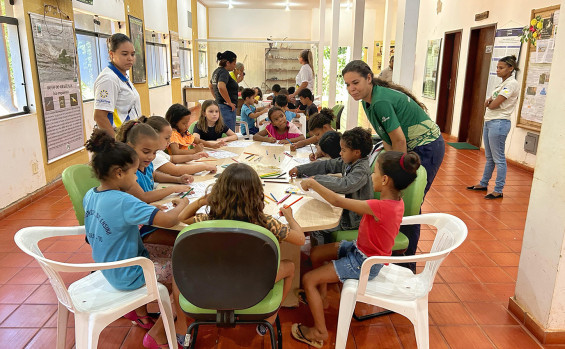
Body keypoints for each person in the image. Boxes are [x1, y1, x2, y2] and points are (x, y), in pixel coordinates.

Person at [290, 151, 421, 348]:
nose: (371, 176)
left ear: (385, 180)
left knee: (309, 279)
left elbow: (338, 201)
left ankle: (320, 332)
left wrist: (313, 183)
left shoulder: (380, 207)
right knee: (316, 253)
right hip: (361, 250)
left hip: (364, 263)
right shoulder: (395, 203)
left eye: (374, 173)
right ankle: (323, 299)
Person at [83, 129, 189, 349]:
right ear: (119, 173)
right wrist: (184, 204)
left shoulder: (91, 194)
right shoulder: (124, 200)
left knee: (173, 253)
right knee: (185, 268)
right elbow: (169, 222)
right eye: (133, 173)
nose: (135, 178)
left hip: (107, 266)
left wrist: (146, 209)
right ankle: (159, 333)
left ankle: (141, 310)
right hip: (130, 273)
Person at [179, 163, 305, 335]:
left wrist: (204, 200)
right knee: (289, 266)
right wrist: (290, 217)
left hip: (212, 280)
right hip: (253, 283)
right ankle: (268, 319)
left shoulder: (207, 220)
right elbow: (300, 239)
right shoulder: (266, 222)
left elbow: (182, 217)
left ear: (218, 193)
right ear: (256, 194)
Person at [342, 60, 445, 271]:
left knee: (409, 205)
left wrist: (395, 174)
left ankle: (407, 264)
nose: (352, 89)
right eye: (347, 84)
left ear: (369, 78)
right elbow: (388, 140)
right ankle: (389, 255)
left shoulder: (380, 101)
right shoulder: (367, 101)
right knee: (395, 201)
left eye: (356, 82)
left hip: (426, 147)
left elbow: (399, 142)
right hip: (410, 145)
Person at [288, 127, 373, 246]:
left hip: (353, 219)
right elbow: (327, 165)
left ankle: (320, 254)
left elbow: (345, 185)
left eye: (343, 150)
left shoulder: (361, 170)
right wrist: (300, 169)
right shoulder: (349, 161)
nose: (340, 153)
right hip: (346, 212)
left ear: (356, 152)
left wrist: (316, 180)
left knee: (316, 227)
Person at [466, 55, 520, 199]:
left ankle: (498, 189)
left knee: (499, 158)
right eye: (497, 67)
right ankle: (483, 183)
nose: (498, 70)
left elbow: (494, 104)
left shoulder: (512, 84)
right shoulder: (501, 84)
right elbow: (488, 102)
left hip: (499, 123)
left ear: (511, 68)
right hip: (490, 121)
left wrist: (491, 102)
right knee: (489, 157)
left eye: (501, 68)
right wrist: (490, 102)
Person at [93, 33, 141, 136]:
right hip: (117, 138)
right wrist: (116, 145)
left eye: (132, 54)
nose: (130, 58)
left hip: (129, 136)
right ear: (112, 54)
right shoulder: (108, 79)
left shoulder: (123, 77)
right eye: (124, 54)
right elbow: (100, 117)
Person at [144, 115, 217, 179]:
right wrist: (204, 167)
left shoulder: (158, 152)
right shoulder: (155, 156)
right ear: (153, 136)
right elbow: (176, 171)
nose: (169, 141)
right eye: (166, 138)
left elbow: (172, 158)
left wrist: (193, 156)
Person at [209, 51, 239, 132]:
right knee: (229, 133)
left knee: (221, 131)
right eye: (234, 63)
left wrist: (218, 98)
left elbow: (211, 86)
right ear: (228, 63)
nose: (235, 65)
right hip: (226, 108)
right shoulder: (224, 72)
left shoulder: (216, 71)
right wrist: (229, 102)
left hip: (220, 105)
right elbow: (221, 87)